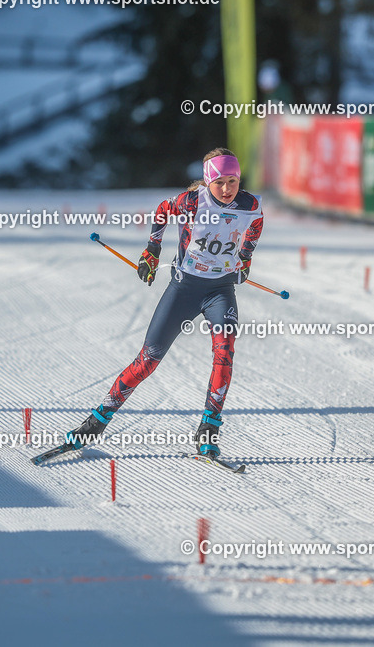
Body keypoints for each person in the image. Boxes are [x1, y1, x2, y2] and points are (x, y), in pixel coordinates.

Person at [64, 148, 264, 458]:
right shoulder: (193, 202)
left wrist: (245, 259)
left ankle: (208, 429)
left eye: (233, 181)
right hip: (184, 288)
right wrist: (152, 251)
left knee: (224, 354)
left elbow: (255, 227)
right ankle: (96, 421)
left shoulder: (249, 206)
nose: (227, 189)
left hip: (220, 291)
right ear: (208, 181)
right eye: (220, 182)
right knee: (148, 360)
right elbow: (162, 210)